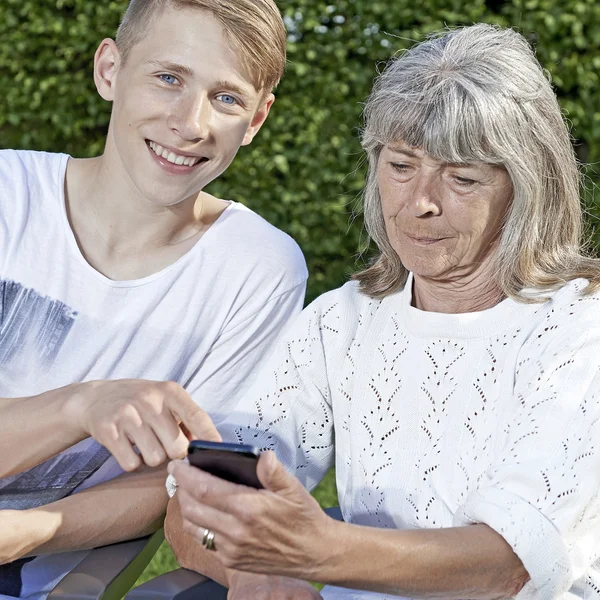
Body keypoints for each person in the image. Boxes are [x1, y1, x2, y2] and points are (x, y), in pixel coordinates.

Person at [168, 23, 600, 600]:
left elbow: (504, 567)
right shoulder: (340, 322)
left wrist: (317, 547)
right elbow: (200, 494)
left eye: (462, 177)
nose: (419, 202)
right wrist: (258, 576)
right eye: (401, 166)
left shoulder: (577, 330)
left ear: (526, 188)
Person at [0, 0, 307, 598]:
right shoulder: (8, 200)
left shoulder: (260, 270)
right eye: (169, 78)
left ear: (257, 120)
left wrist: (23, 531)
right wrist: (79, 407)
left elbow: (189, 476)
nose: (190, 123)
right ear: (109, 70)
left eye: (226, 98)